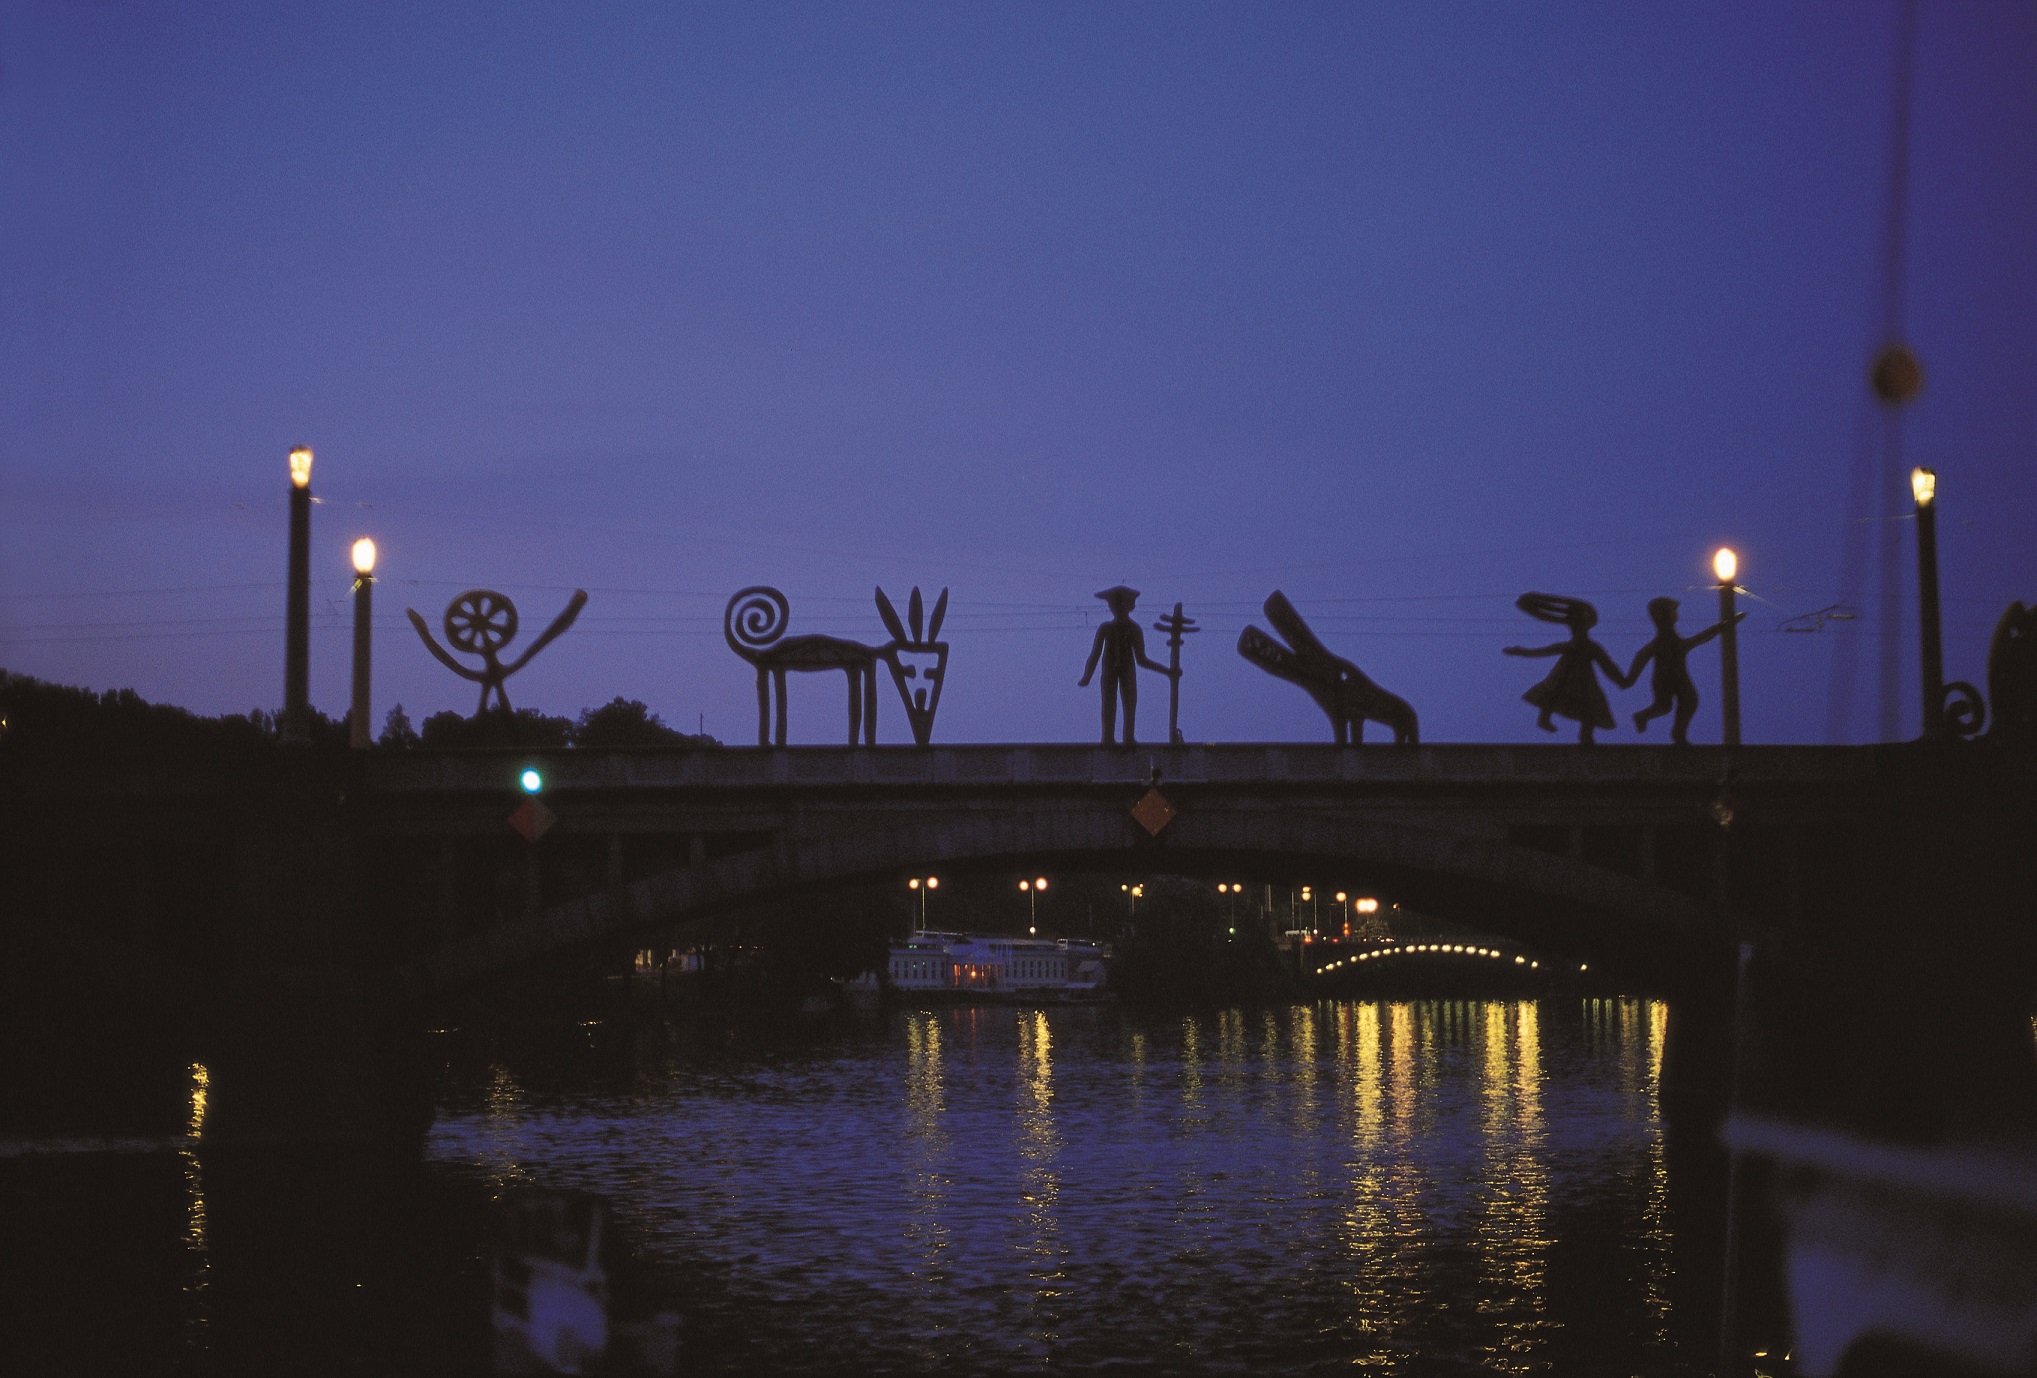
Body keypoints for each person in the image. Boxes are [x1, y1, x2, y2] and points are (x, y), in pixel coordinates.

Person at [1503, 593, 1630, 745]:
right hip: (1564, 678)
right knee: (1553, 693)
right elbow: (1544, 651)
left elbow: (1607, 665)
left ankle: (1585, 736)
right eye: (1573, 625)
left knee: (1588, 706)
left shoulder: (1590, 647)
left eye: (1577, 625)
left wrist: (1620, 680)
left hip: (1584, 682)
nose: (1574, 629)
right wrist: (1521, 651)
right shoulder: (1571, 646)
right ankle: (1545, 720)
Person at [1626, 596, 1742, 746]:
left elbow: (1700, 638)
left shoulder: (1675, 641)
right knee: (1664, 706)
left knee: (1689, 701)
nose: (1676, 615)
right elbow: (1642, 655)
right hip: (1663, 680)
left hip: (1680, 677)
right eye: (1673, 611)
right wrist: (1630, 678)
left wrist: (1723, 626)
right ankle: (1644, 717)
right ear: (1662, 616)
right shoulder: (1662, 643)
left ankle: (1678, 734)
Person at [1078, 585, 1176, 746]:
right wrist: (1087, 677)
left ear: (1129, 607)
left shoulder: (1134, 629)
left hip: (1127, 671)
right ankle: (1108, 737)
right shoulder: (1106, 628)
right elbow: (1095, 654)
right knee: (1108, 704)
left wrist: (1167, 671)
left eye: (1119, 604)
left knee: (1129, 703)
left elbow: (1142, 659)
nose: (1115, 608)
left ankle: (1128, 738)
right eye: (1114, 604)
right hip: (1109, 671)